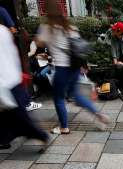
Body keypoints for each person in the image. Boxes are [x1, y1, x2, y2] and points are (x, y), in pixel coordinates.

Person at [36, 0, 109, 134]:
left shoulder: (46, 28)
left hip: (62, 68)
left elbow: (39, 43)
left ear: (47, 12)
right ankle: (99, 115)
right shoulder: (70, 27)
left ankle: (64, 127)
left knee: (58, 98)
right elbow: (79, 48)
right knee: (75, 94)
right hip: (74, 67)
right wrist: (84, 65)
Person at [0, 17, 49, 150]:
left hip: (5, 82)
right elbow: (13, 55)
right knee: (8, 116)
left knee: (19, 117)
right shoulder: (4, 31)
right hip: (12, 78)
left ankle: (42, 136)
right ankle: (4, 139)